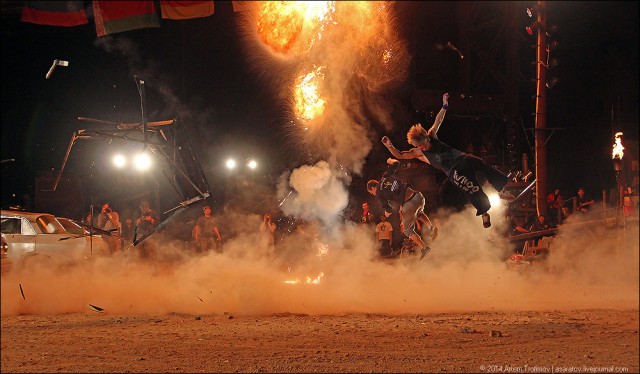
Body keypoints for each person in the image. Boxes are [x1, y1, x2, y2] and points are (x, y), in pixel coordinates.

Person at [381, 92, 512, 229]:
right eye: (419, 146)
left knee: (480, 163)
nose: (422, 147)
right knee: (471, 188)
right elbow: (401, 155)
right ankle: (484, 212)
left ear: (426, 137)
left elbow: (438, 121)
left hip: (463, 159)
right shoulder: (418, 152)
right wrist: (389, 145)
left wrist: (444, 106)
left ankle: (501, 190)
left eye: (423, 144)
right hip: (453, 172)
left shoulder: (432, 135)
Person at [366, 158, 438, 260]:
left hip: (409, 203)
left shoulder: (378, 194)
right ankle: (431, 228)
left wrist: (386, 213)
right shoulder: (385, 177)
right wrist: (390, 160)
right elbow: (397, 163)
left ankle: (424, 248)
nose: (373, 194)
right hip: (418, 196)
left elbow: (389, 209)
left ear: (373, 188)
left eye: (371, 192)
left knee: (407, 230)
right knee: (419, 213)